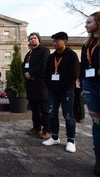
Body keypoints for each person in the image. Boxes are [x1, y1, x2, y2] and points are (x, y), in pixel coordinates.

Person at [42, 32, 79, 153]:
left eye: (58, 40)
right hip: (53, 91)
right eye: (54, 41)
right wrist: (50, 86)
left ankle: (71, 140)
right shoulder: (52, 57)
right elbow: (46, 73)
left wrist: (63, 86)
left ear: (65, 41)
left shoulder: (71, 55)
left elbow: (73, 74)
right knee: (52, 114)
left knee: (68, 115)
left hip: (66, 91)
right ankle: (54, 137)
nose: (55, 43)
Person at [80, 11, 100, 175]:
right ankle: (98, 159)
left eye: (89, 22)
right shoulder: (86, 45)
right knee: (96, 122)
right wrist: (80, 83)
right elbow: (83, 65)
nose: (86, 25)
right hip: (90, 84)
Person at [23, 33, 51, 139]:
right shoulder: (29, 53)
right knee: (34, 107)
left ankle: (47, 129)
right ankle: (36, 127)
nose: (32, 40)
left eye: (34, 38)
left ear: (38, 39)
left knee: (44, 108)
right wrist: (25, 74)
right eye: (31, 39)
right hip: (30, 84)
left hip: (41, 83)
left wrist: (31, 73)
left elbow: (42, 65)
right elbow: (24, 65)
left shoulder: (44, 50)